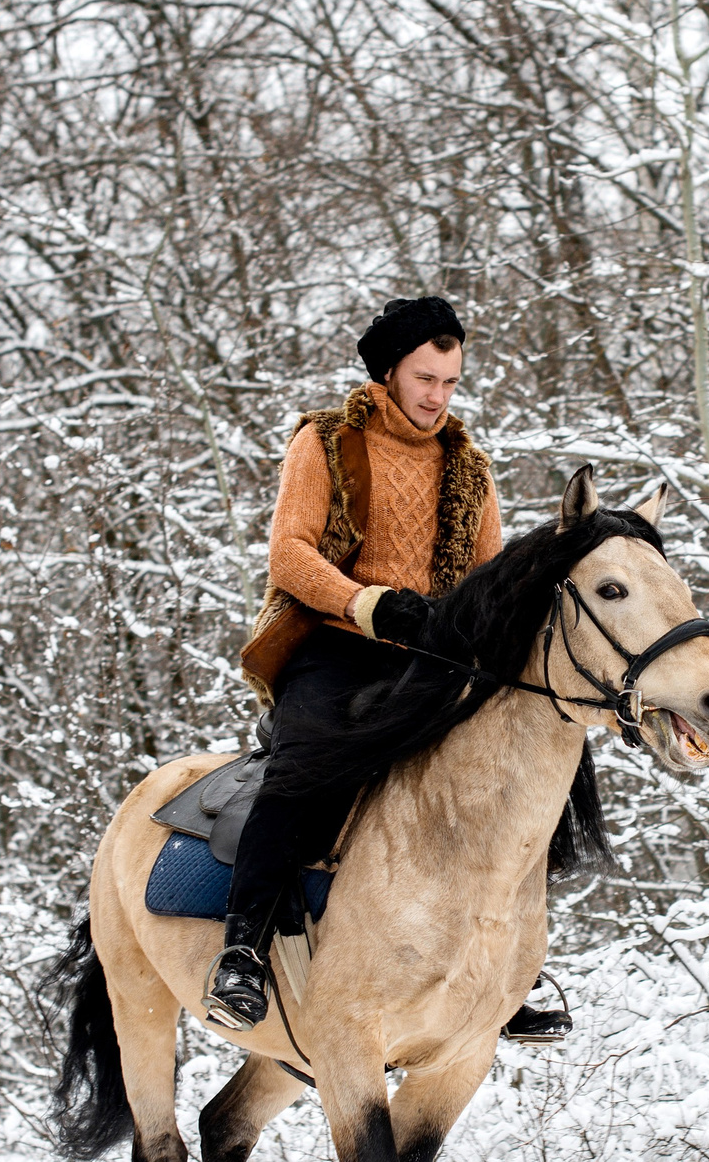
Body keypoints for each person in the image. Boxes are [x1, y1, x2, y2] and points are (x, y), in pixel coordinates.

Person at [207, 296, 568, 1043]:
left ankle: (506, 972)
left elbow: (488, 577)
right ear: (388, 370)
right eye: (426, 377)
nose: (439, 396)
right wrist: (369, 604)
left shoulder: (469, 467)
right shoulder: (328, 441)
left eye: (451, 382)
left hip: (432, 655)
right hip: (336, 641)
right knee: (302, 766)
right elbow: (290, 555)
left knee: (514, 766)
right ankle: (241, 948)